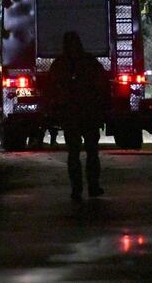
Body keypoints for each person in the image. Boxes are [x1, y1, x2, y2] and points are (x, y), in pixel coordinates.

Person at [46, 31, 110, 200]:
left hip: (70, 114)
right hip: (89, 112)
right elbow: (102, 85)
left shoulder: (60, 64)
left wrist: (56, 109)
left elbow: (52, 88)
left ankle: (77, 189)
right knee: (91, 152)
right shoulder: (90, 62)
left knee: (74, 153)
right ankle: (93, 186)